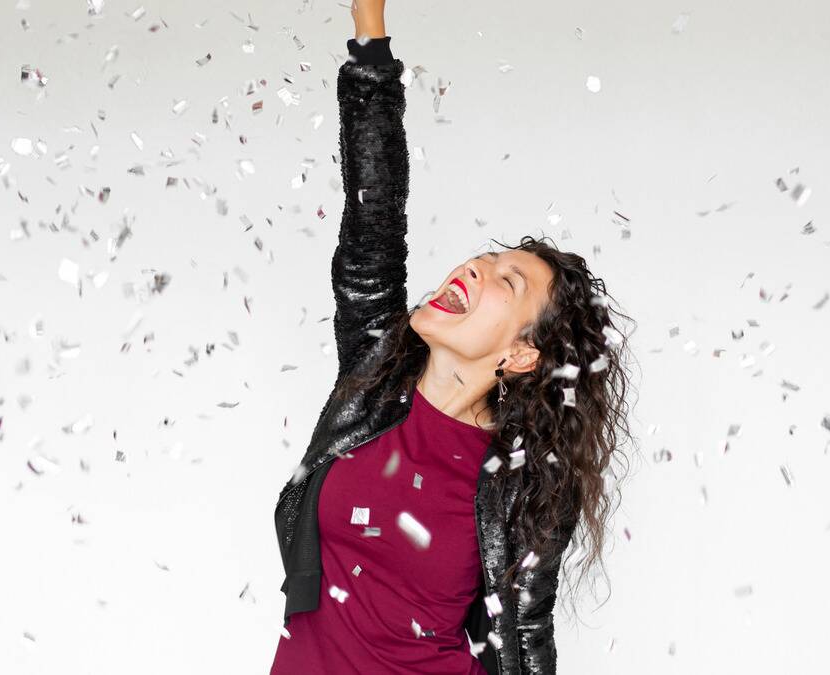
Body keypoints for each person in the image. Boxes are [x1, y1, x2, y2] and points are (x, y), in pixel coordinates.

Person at [271, 2, 638, 673]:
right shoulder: (375, 376)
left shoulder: (525, 483)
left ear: (521, 353)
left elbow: (524, 639)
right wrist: (370, 41)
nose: (473, 266)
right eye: (485, 258)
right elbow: (372, 219)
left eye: (507, 281)